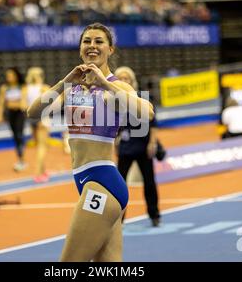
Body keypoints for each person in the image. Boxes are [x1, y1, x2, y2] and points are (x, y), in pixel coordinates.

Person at [27, 23, 154, 261]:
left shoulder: (116, 85)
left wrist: (104, 83)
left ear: (110, 49)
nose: (92, 46)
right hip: (86, 181)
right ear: (80, 48)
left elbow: (147, 113)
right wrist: (66, 81)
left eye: (98, 41)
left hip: (102, 182)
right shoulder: (72, 87)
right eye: (87, 41)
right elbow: (33, 111)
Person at [114, 66, 161, 227]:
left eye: (126, 78)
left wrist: (152, 142)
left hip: (143, 147)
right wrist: (115, 141)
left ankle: (154, 215)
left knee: (149, 183)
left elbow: (153, 123)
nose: (123, 81)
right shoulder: (114, 101)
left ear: (132, 81)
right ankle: (119, 219)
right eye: (120, 78)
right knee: (119, 186)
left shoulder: (141, 98)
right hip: (125, 149)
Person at [0, 67, 28, 172]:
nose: (8, 77)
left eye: (10, 75)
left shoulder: (22, 87)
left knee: (19, 135)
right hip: (11, 113)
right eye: (7, 75)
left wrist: (23, 107)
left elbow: (24, 101)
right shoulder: (5, 88)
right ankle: (20, 158)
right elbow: (1, 103)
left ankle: (21, 159)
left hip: (19, 113)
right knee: (15, 136)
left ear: (16, 76)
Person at [24, 67, 51, 183]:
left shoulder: (25, 89)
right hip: (42, 117)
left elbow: (24, 106)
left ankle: (43, 171)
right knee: (42, 147)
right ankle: (37, 173)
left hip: (32, 118)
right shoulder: (44, 88)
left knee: (38, 146)